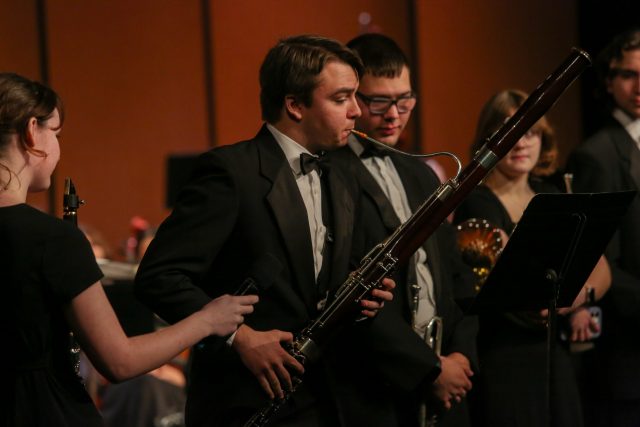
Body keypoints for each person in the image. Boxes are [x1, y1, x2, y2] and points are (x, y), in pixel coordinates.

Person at [134, 35, 394, 427]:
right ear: (295, 105)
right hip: (246, 400)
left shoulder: (343, 174)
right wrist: (239, 337)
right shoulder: (230, 172)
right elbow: (158, 277)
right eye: (341, 99)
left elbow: (321, 284)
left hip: (327, 401)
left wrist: (362, 299)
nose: (357, 111)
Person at [0, 72, 258, 426]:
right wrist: (207, 319)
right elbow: (119, 361)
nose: (59, 147)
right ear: (32, 131)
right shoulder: (52, 239)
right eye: (56, 134)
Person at [328, 33, 477, 427]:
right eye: (380, 101)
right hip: (377, 391)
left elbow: (454, 274)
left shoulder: (422, 172)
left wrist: (462, 356)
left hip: (446, 378)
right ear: (352, 99)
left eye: (405, 99)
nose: (395, 114)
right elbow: (351, 297)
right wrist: (428, 369)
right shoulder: (330, 175)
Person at [453, 89, 611, 427]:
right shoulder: (476, 200)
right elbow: (518, 277)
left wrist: (578, 300)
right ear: (490, 137)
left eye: (532, 132)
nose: (523, 142)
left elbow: (600, 268)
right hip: (505, 357)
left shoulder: (550, 194)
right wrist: (563, 291)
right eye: (512, 131)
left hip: (555, 353)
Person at [565, 28, 640, 427]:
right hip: (625, 350)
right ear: (609, 82)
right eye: (629, 74)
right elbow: (598, 257)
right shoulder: (595, 155)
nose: (639, 85)